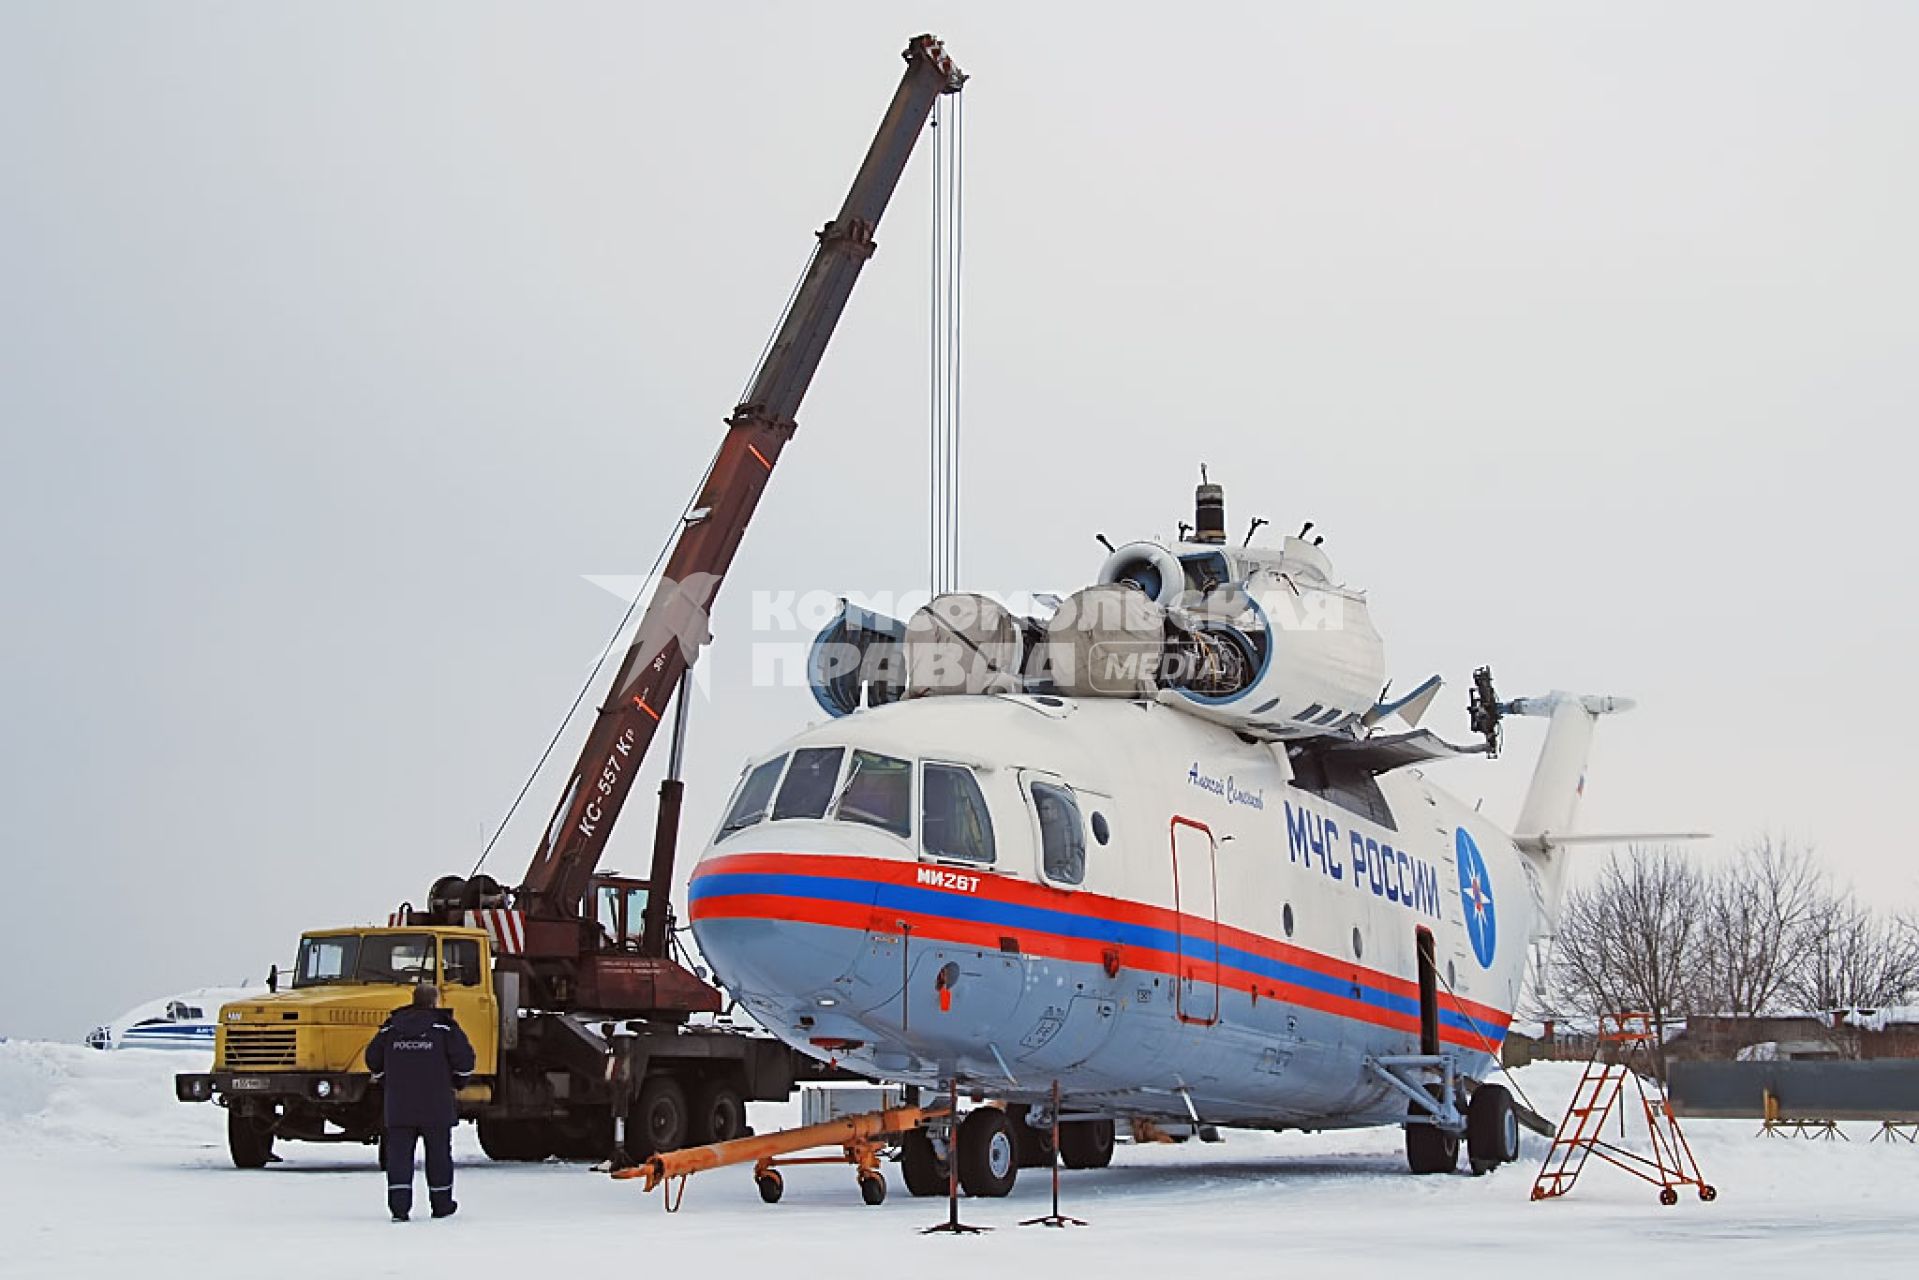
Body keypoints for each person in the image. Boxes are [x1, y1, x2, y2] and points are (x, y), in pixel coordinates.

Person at [366, 983, 475, 1222]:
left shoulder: (391, 1027)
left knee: (399, 1158)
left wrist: (386, 1080)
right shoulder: (444, 1027)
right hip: (436, 1105)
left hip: (399, 1106)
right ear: (435, 1001)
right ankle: (442, 1204)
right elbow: (465, 1059)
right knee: (438, 1156)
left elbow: (372, 1058)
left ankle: (399, 1208)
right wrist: (458, 1082)